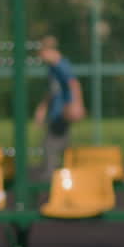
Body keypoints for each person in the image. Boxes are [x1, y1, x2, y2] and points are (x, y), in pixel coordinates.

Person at [32, 36, 84, 178]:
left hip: (63, 111)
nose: (40, 57)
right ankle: (65, 172)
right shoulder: (52, 68)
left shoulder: (61, 65)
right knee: (60, 143)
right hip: (57, 112)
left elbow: (73, 83)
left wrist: (76, 104)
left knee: (50, 144)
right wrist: (42, 108)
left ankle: (52, 177)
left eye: (41, 53)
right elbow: (52, 91)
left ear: (49, 51)